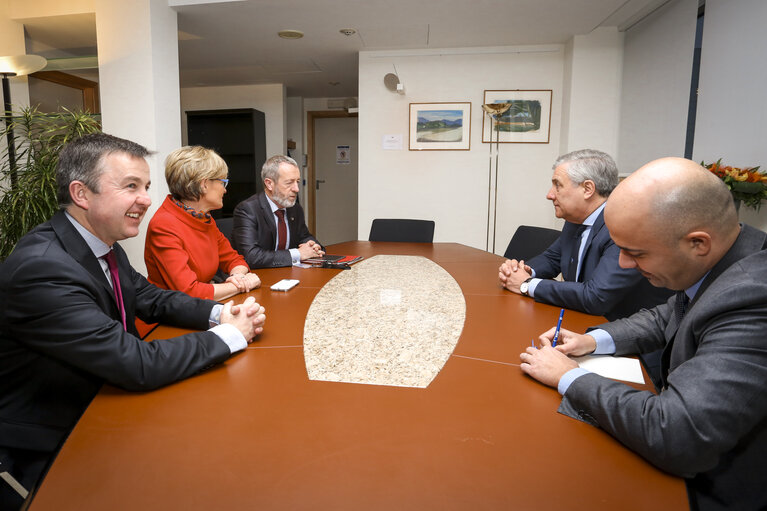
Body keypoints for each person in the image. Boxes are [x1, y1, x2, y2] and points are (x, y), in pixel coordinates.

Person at [0, 133, 267, 510]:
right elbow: (134, 362)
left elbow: (151, 298)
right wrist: (229, 335)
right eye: (130, 186)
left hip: (106, 403)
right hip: (50, 442)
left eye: (145, 186)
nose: (145, 199)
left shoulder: (101, 245)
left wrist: (219, 313)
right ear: (82, 194)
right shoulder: (43, 267)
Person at [519, 157, 767, 510]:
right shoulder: (723, 260)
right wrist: (591, 340)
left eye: (635, 253)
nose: (622, 264)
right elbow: (667, 314)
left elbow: (677, 434)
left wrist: (569, 378)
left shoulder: (754, 297)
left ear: (698, 243)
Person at [499, 149, 671, 321]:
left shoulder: (623, 226)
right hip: (576, 319)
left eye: (557, 185)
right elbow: (553, 258)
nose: (549, 195)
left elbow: (596, 297)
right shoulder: (576, 219)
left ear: (588, 189)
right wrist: (521, 271)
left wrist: (527, 284)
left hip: (623, 333)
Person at [144, 146, 260, 300]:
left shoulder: (204, 218)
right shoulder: (164, 225)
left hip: (202, 309)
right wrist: (239, 286)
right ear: (204, 184)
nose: (225, 190)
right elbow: (189, 292)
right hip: (166, 318)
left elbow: (235, 260)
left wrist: (238, 277)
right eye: (223, 182)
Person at [233, 155, 324, 268]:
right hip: (258, 276)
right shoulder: (248, 209)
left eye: (297, 181)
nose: (296, 189)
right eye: (289, 182)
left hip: (289, 273)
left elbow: (304, 237)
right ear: (269, 183)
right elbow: (251, 256)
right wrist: (298, 254)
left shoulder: (295, 209)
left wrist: (314, 247)